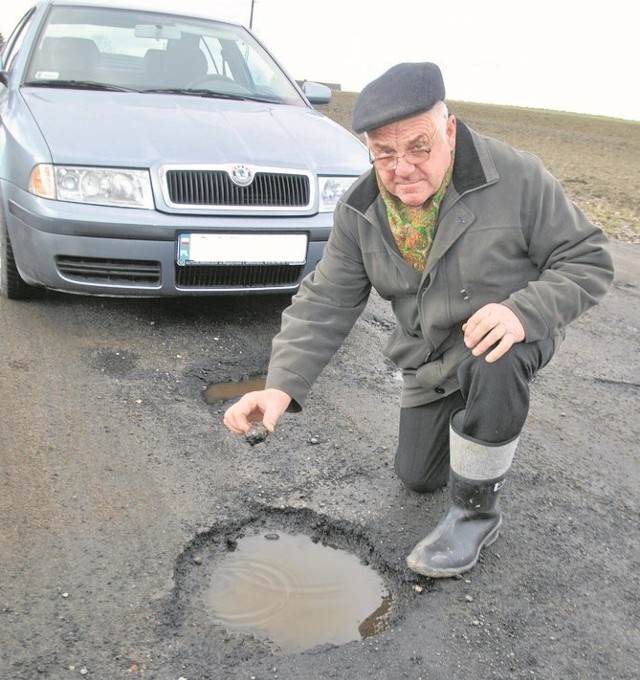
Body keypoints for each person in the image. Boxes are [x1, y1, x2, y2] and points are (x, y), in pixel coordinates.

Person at [223, 62, 614, 578]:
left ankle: (476, 514)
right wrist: (279, 387)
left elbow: (589, 258)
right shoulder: (361, 210)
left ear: (449, 130)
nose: (401, 167)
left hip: (506, 335)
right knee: (417, 476)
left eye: (418, 146)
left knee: (494, 360)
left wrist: (525, 312)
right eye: (383, 152)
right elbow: (326, 301)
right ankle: (478, 424)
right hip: (431, 360)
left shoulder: (516, 176)